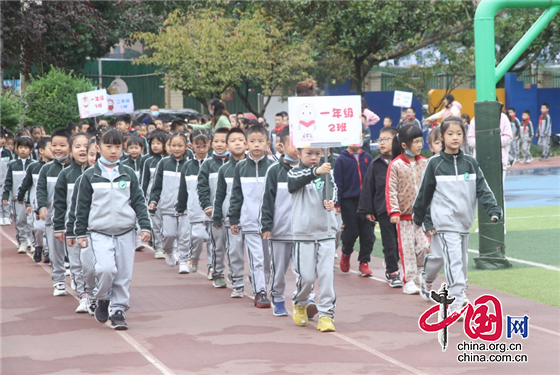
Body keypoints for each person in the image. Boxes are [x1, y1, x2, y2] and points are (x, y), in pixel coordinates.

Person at [413, 116, 501, 316]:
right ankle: (456, 301)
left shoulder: (470, 163)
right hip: (443, 222)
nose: (455, 137)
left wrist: (493, 209)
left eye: (459, 134)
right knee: (453, 260)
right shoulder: (434, 164)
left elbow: (483, 189)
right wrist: (419, 219)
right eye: (450, 134)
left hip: (464, 221)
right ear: (442, 137)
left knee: (455, 259)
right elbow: (423, 194)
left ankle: (427, 278)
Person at [75, 129, 151, 330]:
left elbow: (138, 202)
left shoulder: (128, 174)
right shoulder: (90, 176)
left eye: (117, 147)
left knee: (123, 274)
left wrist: (145, 226)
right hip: (99, 232)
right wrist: (80, 232)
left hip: (126, 232)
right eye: (108, 146)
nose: (113, 151)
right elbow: (81, 206)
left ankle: (118, 310)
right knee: (105, 269)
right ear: (99, 148)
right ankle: (102, 298)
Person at [259, 127, 316, 317]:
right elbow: (267, 199)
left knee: (305, 270)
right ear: (281, 146)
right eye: (292, 144)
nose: (297, 148)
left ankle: (307, 299)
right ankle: (278, 299)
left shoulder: (310, 170)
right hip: (280, 231)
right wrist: (266, 225)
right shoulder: (274, 171)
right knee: (279, 271)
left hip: (304, 232)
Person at [288, 146, 337, 332]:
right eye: (309, 154)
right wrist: (316, 171)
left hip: (326, 233)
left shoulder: (327, 174)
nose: (314, 157)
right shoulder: (294, 173)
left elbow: (332, 190)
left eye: (318, 154)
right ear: (298, 154)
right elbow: (294, 183)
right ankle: (300, 302)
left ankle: (326, 314)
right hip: (303, 234)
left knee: (326, 276)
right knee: (306, 277)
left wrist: (331, 201)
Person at [228, 124, 274, 307]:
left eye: (260, 141)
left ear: (267, 143)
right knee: (257, 259)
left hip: (270, 224)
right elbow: (236, 195)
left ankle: (264, 284)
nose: (256, 145)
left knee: (269, 260)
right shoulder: (240, 167)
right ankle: (260, 292)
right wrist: (234, 218)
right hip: (249, 222)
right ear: (246, 144)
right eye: (253, 141)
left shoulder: (273, 167)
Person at [386, 124, 429, 295]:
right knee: (407, 249)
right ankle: (409, 280)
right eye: (416, 142)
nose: (420, 145)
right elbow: (391, 189)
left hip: (422, 216)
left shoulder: (425, 163)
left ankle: (418, 272)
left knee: (424, 246)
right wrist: (394, 212)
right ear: (404, 145)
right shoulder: (395, 165)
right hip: (403, 217)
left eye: (421, 141)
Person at [358, 127, 402, 288]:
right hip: (384, 210)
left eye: (386, 139)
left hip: (404, 211)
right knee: (389, 243)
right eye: (380, 140)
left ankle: (404, 269)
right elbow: (369, 187)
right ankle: (392, 272)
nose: (381, 143)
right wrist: (368, 210)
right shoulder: (375, 164)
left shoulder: (402, 162)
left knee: (403, 243)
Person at [52, 132, 90, 313]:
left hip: (95, 228)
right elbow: (59, 204)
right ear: (70, 151)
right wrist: (59, 227)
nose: (82, 149)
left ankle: (97, 295)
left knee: (93, 265)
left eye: (86, 146)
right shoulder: (65, 175)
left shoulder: (97, 173)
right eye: (78, 146)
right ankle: (84, 296)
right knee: (76, 263)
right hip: (72, 228)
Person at [213, 128, 248, 298]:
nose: (237, 143)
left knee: (258, 255)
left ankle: (259, 285)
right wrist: (217, 216)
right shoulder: (224, 170)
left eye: (240, 139)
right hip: (231, 219)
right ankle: (238, 283)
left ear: (246, 143)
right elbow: (219, 195)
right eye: (232, 140)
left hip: (252, 219)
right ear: (227, 145)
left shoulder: (254, 167)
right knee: (234, 251)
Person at [36, 129, 71, 296]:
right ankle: (59, 281)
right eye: (54, 145)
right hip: (53, 217)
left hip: (73, 219)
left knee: (76, 253)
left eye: (62, 145)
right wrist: (42, 206)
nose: (58, 149)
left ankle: (81, 283)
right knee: (56, 253)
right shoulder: (47, 169)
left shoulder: (77, 169)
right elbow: (40, 190)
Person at [335, 133, 374, 277]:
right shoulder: (341, 159)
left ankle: (364, 263)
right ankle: (346, 253)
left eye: (360, 138)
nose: (357, 142)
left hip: (366, 201)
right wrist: (337, 203)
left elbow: (372, 181)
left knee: (368, 233)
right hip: (348, 202)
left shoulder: (367, 157)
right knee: (350, 232)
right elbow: (338, 183)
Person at [149, 133, 189, 267]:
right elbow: (157, 185)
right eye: (173, 146)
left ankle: (183, 260)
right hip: (166, 206)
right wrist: (153, 200)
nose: (176, 149)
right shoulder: (163, 163)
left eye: (180, 145)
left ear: (186, 147)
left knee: (184, 235)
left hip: (185, 207)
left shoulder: (189, 164)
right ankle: (169, 251)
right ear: (169, 147)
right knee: (169, 234)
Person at [175, 131, 211, 275]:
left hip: (212, 210)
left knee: (213, 243)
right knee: (198, 237)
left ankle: (211, 267)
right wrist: (181, 207)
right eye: (198, 146)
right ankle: (193, 258)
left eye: (204, 146)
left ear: (209, 144)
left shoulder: (213, 164)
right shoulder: (188, 166)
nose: (201, 149)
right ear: (191, 146)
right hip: (194, 210)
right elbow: (183, 189)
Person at [197, 128, 230, 282]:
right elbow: (202, 188)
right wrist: (207, 206)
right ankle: (217, 272)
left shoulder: (236, 164)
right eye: (216, 141)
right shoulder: (207, 164)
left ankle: (235, 273)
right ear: (210, 143)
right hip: (215, 214)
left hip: (233, 214)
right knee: (217, 245)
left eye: (223, 141)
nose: (219, 144)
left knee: (234, 248)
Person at [16, 136, 52, 262]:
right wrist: (22, 198)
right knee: (38, 229)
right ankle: (38, 246)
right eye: (51, 147)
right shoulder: (33, 167)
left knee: (50, 229)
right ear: (41, 151)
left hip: (52, 205)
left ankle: (48, 252)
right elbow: (26, 184)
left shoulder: (57, 168)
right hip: (37, 205)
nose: (55, 150)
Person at [2, 136, 35, 253]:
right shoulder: (12, 164)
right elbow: (8, 181)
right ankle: (22, 242)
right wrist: (5, 194)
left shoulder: (34, 165)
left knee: (31, 221)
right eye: (20, 147)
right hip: (17, 199)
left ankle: (32, 241)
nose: (23, 150)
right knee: (20, 220)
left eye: (26, 147)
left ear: (31, 150)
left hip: (31, 199)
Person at [140, 131, 167, 258]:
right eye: (153, 143)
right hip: (152, 197)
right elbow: (144, 181)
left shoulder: (169, 161)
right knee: (155, 223)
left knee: (167, 224)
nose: (155, 146)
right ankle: (159, 246)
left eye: (158, 143)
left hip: (168, 197)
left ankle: (170, 246)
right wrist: (144, 197)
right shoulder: (147, 161)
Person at [467, 107, 513, 172]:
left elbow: (508, 138)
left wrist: (492, 141)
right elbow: (470, 140)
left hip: (499, 164)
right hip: (480, 163)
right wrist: (484, 142)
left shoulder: (503, 118)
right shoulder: (475, 120)